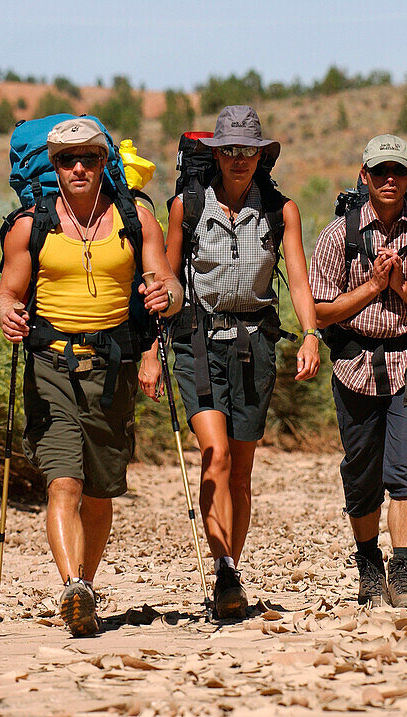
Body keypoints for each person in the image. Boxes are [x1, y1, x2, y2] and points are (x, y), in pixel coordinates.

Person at [0, 118, 182, 637]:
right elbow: (8, 292)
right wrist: (5, 312)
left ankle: (86, 589)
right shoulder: (30, 226)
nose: (78, 168)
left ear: (105, 163)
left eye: (90, 159)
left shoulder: (136, 218)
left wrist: (166, 296)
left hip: (113, 368)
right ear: (53, 167)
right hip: (50, 363)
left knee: (101, 492)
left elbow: (167, 281)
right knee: (64, 483)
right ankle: (72, 585)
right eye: (66, 160)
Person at [142, 106, 320, 619]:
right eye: (230, 150)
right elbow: (169, 280)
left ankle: (230, 574)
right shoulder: (186, 207)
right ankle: (222, 566)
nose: (239, 159)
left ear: (262, 155)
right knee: (215, 454)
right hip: (196, 342)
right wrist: (153, 347)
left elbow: (300, 279)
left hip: (256, 347)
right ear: (216, 154)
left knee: (241, 470)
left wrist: (310, 335)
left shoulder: (282, 211)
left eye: (248, 151)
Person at [310, 135, 407, 608]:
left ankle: (403, 570)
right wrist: (374, 287)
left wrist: (399, 288)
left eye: (398, 171)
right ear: (365, 176)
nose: (389, 180)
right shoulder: (338, 235)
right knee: (360, 471)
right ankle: (367, 562)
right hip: (355, 363)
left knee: (406, 469)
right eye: (380, 172)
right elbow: (319, 311)